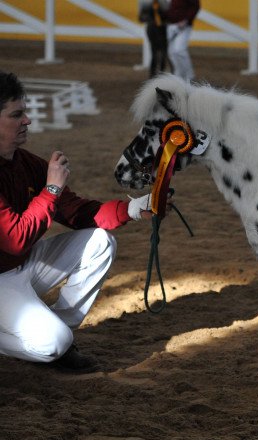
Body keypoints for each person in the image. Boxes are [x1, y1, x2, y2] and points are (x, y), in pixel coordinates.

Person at [0, 72, 153, 373]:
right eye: (16, 115)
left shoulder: (25, 162)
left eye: (25, 113)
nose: (27, 120)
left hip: (21, 265)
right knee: (50, 343)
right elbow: (14, 238)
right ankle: (54, 343)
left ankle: (61, 338)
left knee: (100, 241)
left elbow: (77, 212)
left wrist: (133, 208)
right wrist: (51, 189)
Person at [166, 0, 201, 82]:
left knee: (179, 50)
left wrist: (186, 20)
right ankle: (178, 76)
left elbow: (196, 7)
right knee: (171, 52)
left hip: (183, 26)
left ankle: (190, 77)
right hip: (170, 25)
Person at [138, 0, 169, 78]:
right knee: (154, 53)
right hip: (152, 30)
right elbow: (141, 18)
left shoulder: (163, 3)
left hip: (163, 30)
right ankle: (152, 74)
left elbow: (169, 14)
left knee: (163, 53)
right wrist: (150, 19)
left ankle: (161, 73)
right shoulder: (147, 4)